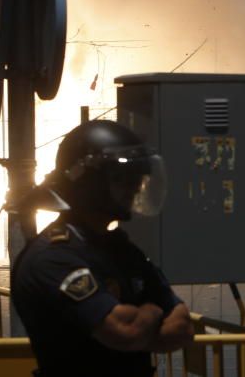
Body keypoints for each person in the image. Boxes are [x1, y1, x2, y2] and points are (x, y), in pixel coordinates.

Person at [11, 120, 195, 376]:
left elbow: (183, 327)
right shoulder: (53, 257)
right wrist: (153, 311)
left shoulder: (121, 250)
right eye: (121, 179)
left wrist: (139, 322)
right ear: (89, 183)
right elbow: (125, 332)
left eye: (136, 179)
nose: (133, 188)